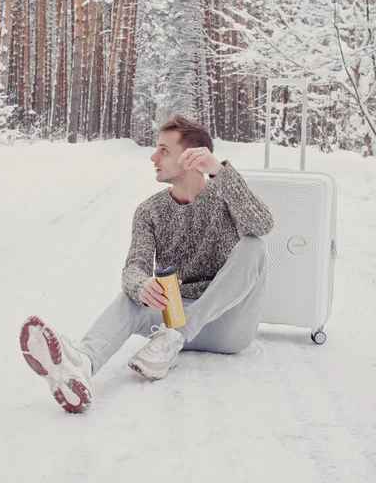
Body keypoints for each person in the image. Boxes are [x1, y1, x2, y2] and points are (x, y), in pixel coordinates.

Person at [19, 115, 274, 413]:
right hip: (172, 324)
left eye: (164, 150)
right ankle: (81, 365)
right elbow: (134, 268)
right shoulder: (149, 212)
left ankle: (176, 336)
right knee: (131, 296)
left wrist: (219, 171)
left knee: (254, 246)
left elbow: (263, 224)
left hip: (229, 326)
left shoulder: (225, 196)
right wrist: (142, 286)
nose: (153, 157)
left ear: (192, 156)